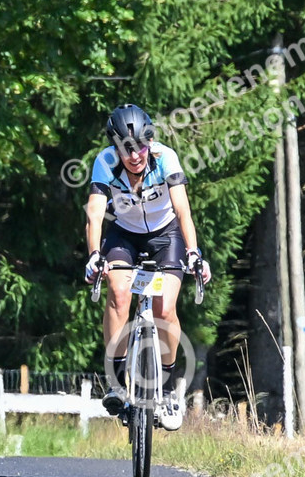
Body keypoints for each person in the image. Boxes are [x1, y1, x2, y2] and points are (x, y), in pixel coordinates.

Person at [81, 104, 212, 431]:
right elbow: (95, 214)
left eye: (140, 146)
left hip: (166, 235)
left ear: (149, 142)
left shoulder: (166, 158)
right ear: (115, 147)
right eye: (126, 148)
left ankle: (166, 388)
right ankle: (116, 381)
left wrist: (193, 252)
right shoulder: (104, 162)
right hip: (124, 235)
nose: (134, 155)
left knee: (165, 308)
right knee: (118, 294)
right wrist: (95, 254)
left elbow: (182, 210)